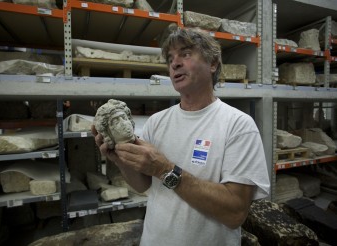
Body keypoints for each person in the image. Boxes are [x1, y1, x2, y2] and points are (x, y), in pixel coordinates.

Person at [91, 27, 270, 246]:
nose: (174, 63)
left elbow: (234, 213)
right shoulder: (157, 122)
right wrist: (121, 160)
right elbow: (143, 185)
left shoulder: (238, 125)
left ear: (213, 63)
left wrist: (165, 169)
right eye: (170, 59)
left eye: (185, 54)